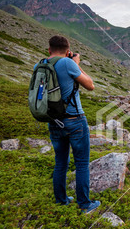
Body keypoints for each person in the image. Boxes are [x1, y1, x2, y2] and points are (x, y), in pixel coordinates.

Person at [39, 35, 100, 214]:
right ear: (67, 51)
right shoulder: (68, 63)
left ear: (49, 49)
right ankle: (85, 204)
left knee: (60, 162)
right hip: (74, 120)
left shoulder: (40, 65)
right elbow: (90, 85)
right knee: (81, 163)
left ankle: (61, 200)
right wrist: (76, 63)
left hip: (54, 121)